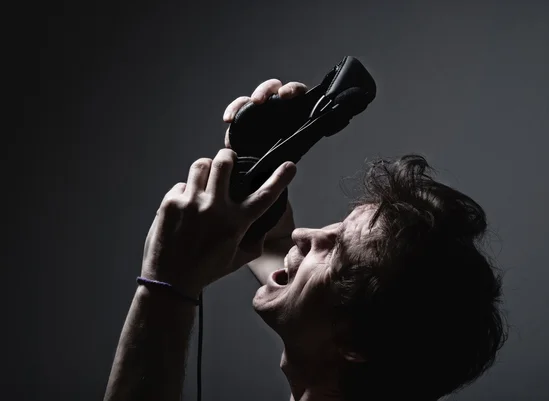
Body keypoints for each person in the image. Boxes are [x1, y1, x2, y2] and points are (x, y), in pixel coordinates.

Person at [104, 79, 507, 401]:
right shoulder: (356, 346)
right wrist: (260, 163)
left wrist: (165, 286)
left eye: (334, 250)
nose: (303, 234)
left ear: (353, 341)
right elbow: (279, 246)